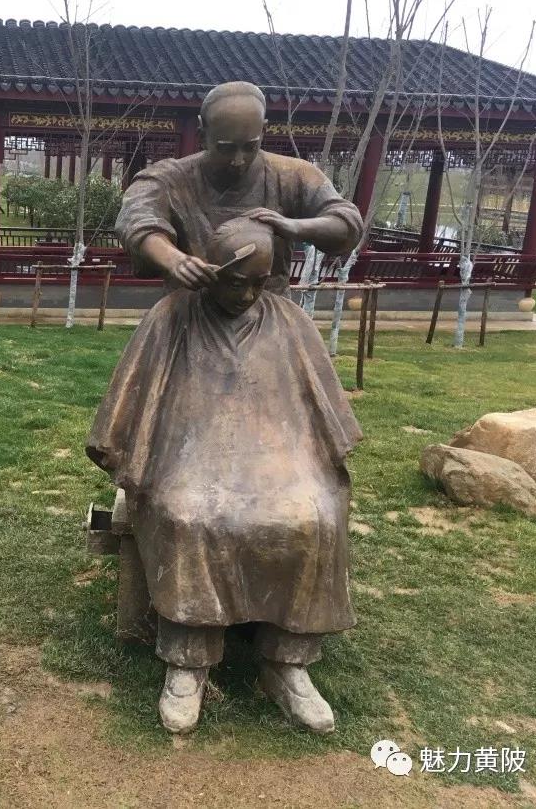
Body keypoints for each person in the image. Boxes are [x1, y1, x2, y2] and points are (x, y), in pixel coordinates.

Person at [86, 215, 363, 735]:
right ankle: (187, 663)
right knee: (189, 514)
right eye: (236, 282)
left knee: (316, 516)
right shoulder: (172, 315)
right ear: (211, 272)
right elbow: (129, 404)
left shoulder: (290, 321)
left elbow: (323, 409)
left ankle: (288, 663)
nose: (248, 294)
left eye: (260, 282)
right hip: (187, 455)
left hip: (279, 455)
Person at [116, 80, 363, 295]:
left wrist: (294, 227)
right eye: (225, 148)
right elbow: (137, 222)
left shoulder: (293, 175)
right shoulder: (168, 179)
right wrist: (175, 260)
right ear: (202, 135)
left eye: (249, 147)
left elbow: (348, 222)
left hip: (269, 314)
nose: (238, 160)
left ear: (264, 130)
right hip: (188, 311)